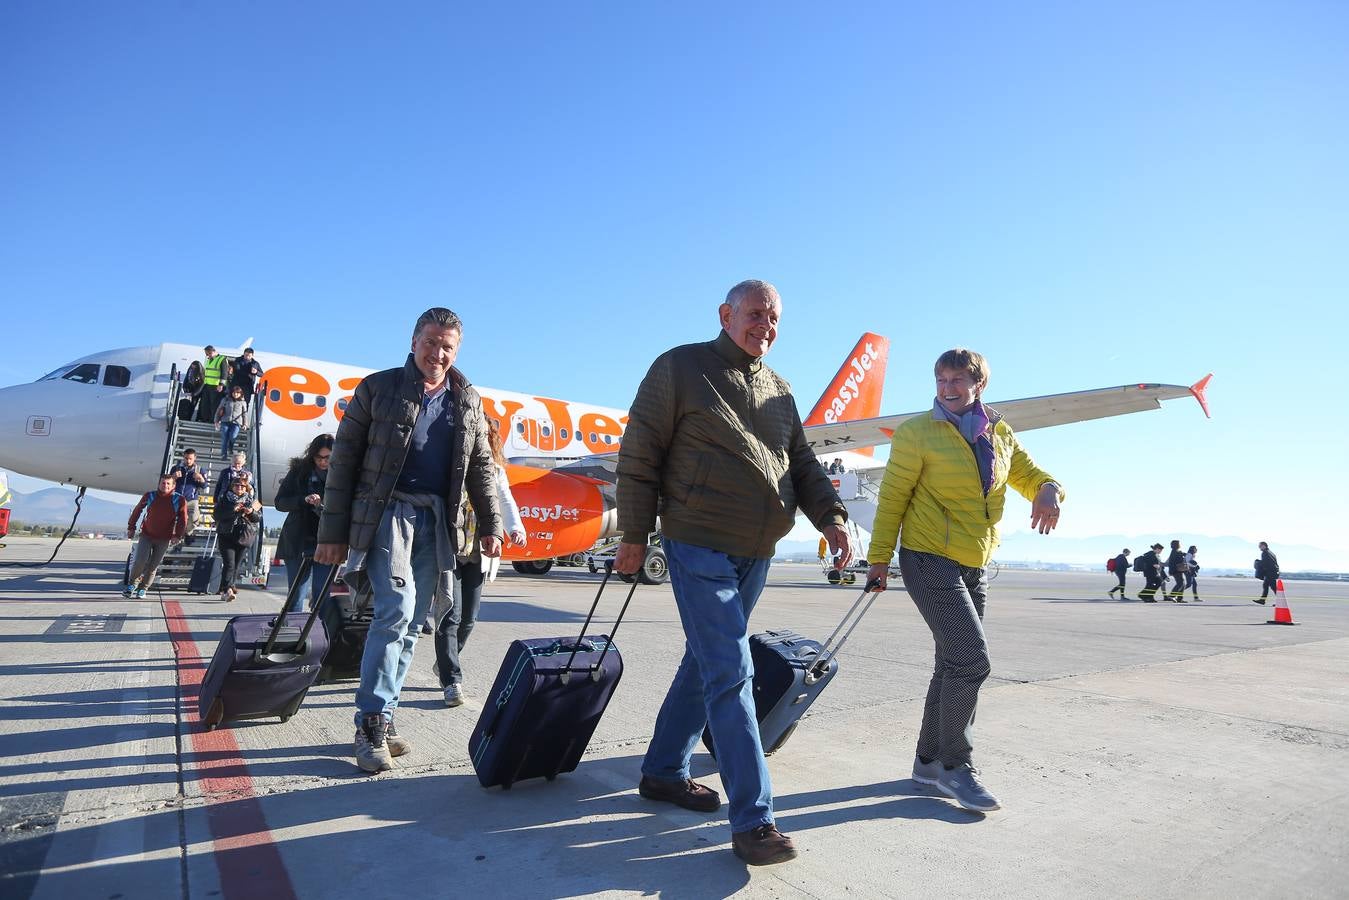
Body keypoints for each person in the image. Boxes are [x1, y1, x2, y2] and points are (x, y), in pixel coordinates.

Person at [616, 279, 851, 867]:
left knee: (707, 663)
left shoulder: (780, 389)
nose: (765, 327)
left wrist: (833, 518)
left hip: (757, 551)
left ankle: (664, 771)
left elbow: (800, 463)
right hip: (698, 541)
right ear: (725, 314)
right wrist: (634, 534)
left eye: (773, 319)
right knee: (731, 671)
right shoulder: (680, 368)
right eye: (755, 315)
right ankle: (753, 821)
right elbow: (639, 453)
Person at [865, 347, 1063, 814]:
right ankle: (957, 766)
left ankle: (928, 762)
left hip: (974, 562)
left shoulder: (999, 432)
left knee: (951, 664)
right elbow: (893, 496)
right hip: (927, 555)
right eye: (940, 379)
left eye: (957, 379)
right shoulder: (917, 433)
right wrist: (878, 561)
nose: (947, 388)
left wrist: (1050, 490)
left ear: (979, 385)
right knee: (972, 662)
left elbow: (1031, 475)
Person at [315, 307, 502, 774]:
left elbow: (481, 466)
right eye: (431, 342)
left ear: (456, 351)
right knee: (394, 610)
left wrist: (491, 525)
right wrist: (333, 534)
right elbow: (343, 464)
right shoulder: (378, 388)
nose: (437, 353)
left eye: (447, 347)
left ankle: (387, 714)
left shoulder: (468, 399)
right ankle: (371, 721)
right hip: (388, 512)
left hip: (437, 519)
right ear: (414, 339)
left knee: (416, 623)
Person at [434, 426, 527, 706]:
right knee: (450, 614)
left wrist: (515, 528)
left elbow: (506, 501)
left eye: (484, 435)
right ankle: (452, 680)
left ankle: (445, 662)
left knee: (470, 618)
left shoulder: (496, 470)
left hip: (479, 551)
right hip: (450, 549)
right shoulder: (451, 463)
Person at [274, 434, 335, 609]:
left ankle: (321, 633)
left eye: (327, 457)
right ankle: (295, 632)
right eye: (319, 457)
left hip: (326, 541)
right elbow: (280, 502)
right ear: (312, 454)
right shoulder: (299, 471)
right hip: (297, 541)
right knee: (296, 594)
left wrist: (323, 505)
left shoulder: (342, 474)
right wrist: (303, 500)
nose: (323, 462)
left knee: (322, 594)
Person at [123, 473, 189, 598]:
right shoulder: (150, 495)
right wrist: (131, 527)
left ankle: (143, 588)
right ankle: (132, 584)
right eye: (163, 483)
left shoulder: (179, 500)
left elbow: (183, 519)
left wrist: (178, 535)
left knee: (153, 565)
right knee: (140, 561)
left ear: (173, 486)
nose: (165, 485)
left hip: (164, 538)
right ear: (159, 484)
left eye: (168, 483)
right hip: (147, 534)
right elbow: (138, 510)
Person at [215, 472, 261, 602]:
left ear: (246, 488)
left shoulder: (251, 501)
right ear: (232, 487)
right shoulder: (225, 499)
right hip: (226, 535)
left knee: (236, 565)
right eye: (236, 485)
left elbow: (257, 519)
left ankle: (229, 586)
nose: (239, 488)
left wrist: (251, 512)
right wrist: (232, 510)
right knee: (229, 563)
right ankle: (227, 589)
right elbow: (217, 515)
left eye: (242, 486)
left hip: (243, 536)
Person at [170, 448, 207, 529]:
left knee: (194, 520)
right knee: (172, 518)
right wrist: (173, 477)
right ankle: (176, 535)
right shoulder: (176, 468)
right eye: (186, 458)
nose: (188, 461)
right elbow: (168, 483)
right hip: (177, 497)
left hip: (192, 499)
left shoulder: (200, 470)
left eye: (190, 459)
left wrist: (201, 478)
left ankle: (187, 534)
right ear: (183, 457)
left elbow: (204, 486)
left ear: (195, 458)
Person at [215, 385, 249, 459]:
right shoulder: (225, 399)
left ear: (240, 394)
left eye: (237, 393)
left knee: (233, 436)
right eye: (234, 392)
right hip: (225, 421)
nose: (235, 394)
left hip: (236, 423)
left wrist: (245, 424)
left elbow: (244, 414)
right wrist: (216, 421)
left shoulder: (243, 402)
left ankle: (230, 447)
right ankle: (223, 455)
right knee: (224, 438)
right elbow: (219, 410)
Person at [198, 345, 228, 423]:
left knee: (214, 404)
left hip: (216, 386)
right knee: (205, 403)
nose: (207, 355)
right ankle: (204, 419)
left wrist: (221, 384)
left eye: (209, 353)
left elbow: (224, 373)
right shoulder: (209, 360)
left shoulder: (222, 359)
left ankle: (213, 420)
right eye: (206, 354)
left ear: (214, 351)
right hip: (207, 385)